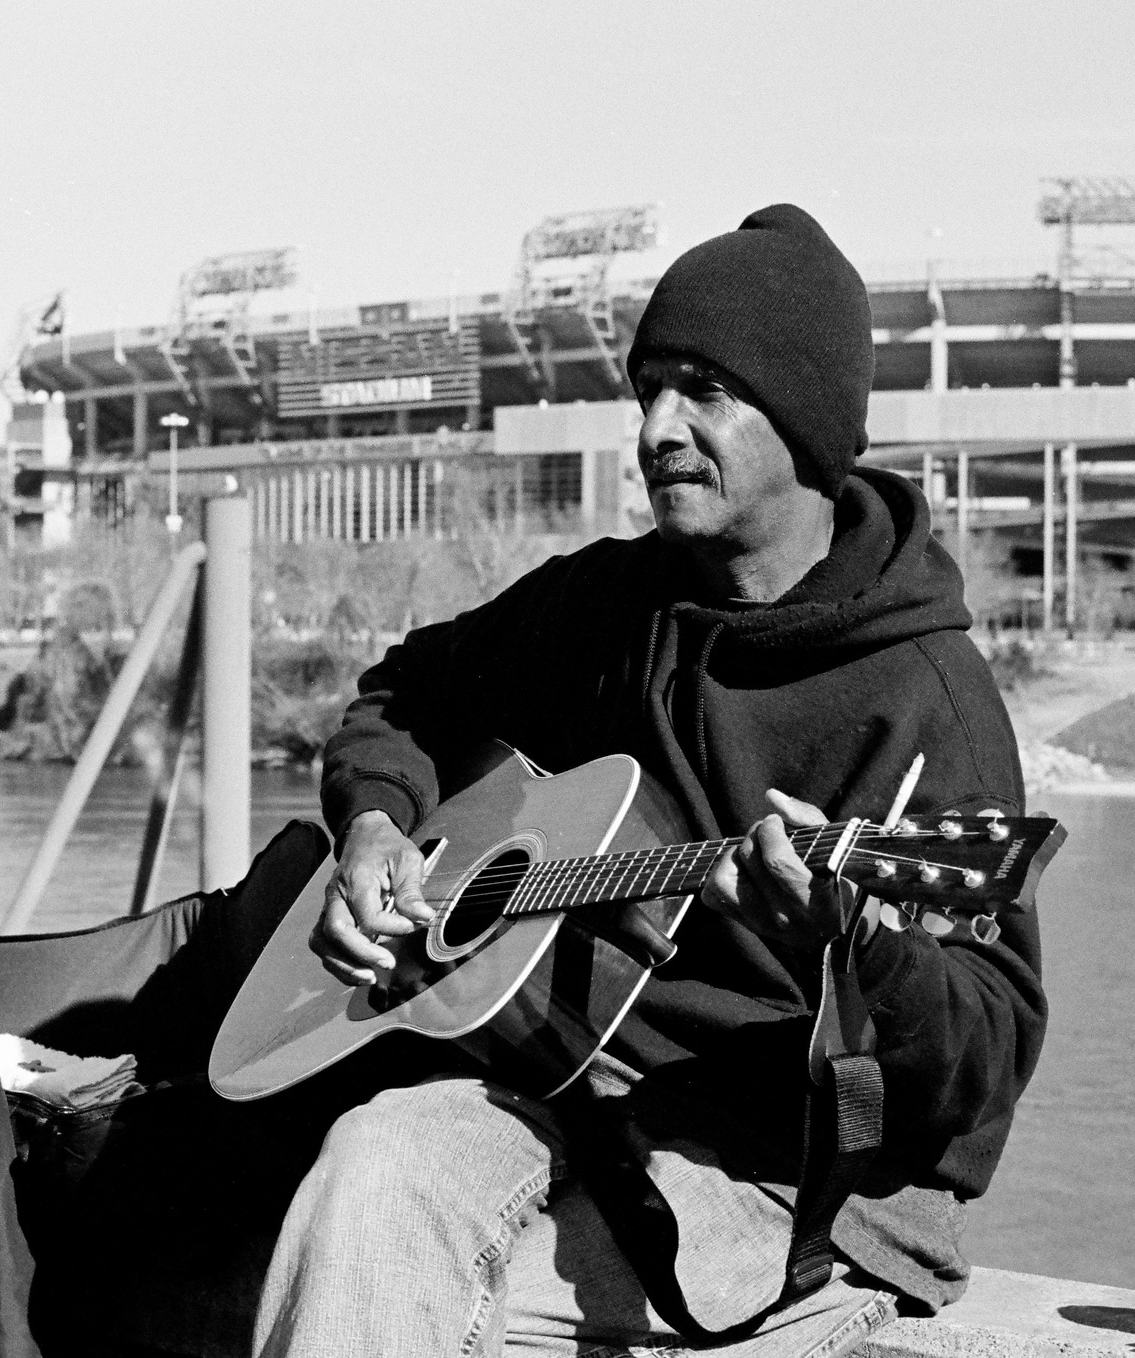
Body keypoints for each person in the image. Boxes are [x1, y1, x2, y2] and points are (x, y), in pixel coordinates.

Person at [254, 204, 1047, 1357]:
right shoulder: (609, 605)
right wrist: (374, 824)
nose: (657, 427)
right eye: (648, 390)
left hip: (795, 1168)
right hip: (568, 1088)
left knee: (424, 1295)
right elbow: (409, 691)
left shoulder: (926, 694)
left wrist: (864, 951)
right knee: (370, 1162)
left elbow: (984, 1060)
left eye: (704, 391)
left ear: (808, 421)